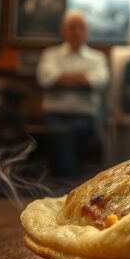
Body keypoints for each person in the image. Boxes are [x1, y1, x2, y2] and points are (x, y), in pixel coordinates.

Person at [36, 11, 109, 177]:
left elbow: (99, 82)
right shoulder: (50, 54)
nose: (76, 32)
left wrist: (62, 78)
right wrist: (82, 78)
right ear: (63, 31)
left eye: (80, 27)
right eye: (72, 27)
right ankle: (72, 180)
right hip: (54, 116)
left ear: (87, 31)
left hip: (86, 117)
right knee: (63, 134)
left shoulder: (97, 58)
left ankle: (64, 181)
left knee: (67, 134)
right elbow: (46, 79)